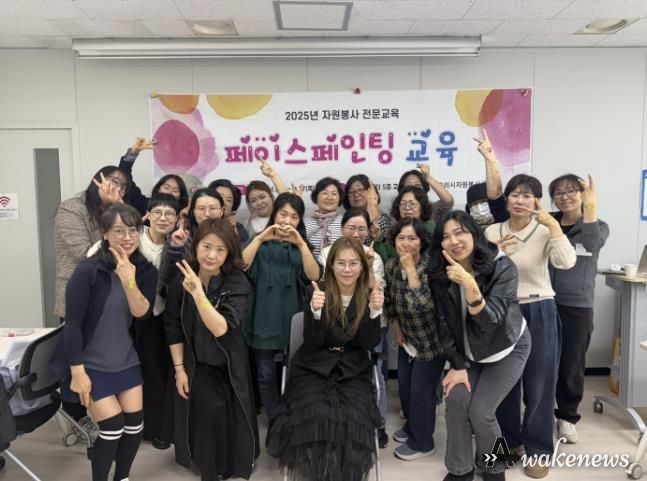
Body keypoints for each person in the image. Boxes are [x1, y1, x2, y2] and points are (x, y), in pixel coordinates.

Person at [52, 203, 158, 481]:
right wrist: (77, 373)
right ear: (104, 234)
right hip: (89, 363)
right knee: (112, 427)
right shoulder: (88, 270)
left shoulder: (145, 270)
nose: (127, 237)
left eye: (133, 231)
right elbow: (72, 324)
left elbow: (142, 313)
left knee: (134, 427)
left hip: (126, 359)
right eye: (118, 231)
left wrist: (129, 280)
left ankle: (121, 477)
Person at [267, 237, 384, 481]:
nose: (347, 269)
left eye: (353, 263)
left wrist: (374, 313)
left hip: (353, 369)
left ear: (362, 266)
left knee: (352, 415)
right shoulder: (318, 290)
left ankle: (341, 474)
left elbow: (367, 345)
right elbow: (312, 342)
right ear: (331, 265)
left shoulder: (368, 294)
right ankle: (317, 472)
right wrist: (316, 312)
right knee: (317, 411)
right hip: (313, 365)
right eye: (341, 263)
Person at [485, 174, 576, 479]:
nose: (520, 201)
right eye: (515, 194)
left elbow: (566, 262)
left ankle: (538, 450)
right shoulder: (491, 231)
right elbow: (481, 274)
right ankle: (510, 443)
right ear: (506, 199)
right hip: (503, 311)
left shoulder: (545, 230)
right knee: (504, 382)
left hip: (539, 308)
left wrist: (554, 227)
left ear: (537, 201)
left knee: (540, 382)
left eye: (528, 195)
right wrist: (494, 252)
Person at [429, 211, 531, 481]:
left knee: (482, 412)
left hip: (507, 348)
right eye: (446, 237)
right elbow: (443, 325)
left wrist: (470, 285)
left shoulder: (502, 266)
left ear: (474, 233)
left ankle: (495, 468)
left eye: (460, 232)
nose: (454, 241)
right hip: (469, 351)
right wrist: (458, 365)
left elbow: (490, 321)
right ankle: (460, 470)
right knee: (456, 400)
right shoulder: (439, 274)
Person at [164, 219, 259, 480]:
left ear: (229, 253)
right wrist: (179, 370)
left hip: (229, 364)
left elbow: (220, 328)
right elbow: (172, 326)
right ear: (196, 246)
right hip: (196, 363)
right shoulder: (181, 279)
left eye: (220, 249)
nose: (212, 255)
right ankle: (209, 466)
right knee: (208, 406)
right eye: (206, 246)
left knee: (225, 411)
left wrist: (198, 294)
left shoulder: (237, 282)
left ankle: (230, 463)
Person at [54, 165, 131, 435]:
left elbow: (129, 238)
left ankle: (105, 413)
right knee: (76, 360)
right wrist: (114, 211)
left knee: (103, 359)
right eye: (112, 181)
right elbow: (86, 253)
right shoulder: (71, 208)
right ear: (96, 181)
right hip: (79, 295)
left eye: (122, 186)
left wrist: (116, 207)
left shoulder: (115, 209)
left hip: (111, 298)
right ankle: (75, 417)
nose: (116, 188)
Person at [242, 193, 321, 425]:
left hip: (293, 319)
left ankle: (295, 413)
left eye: (294, 217)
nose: (287, 221)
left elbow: (314, 276)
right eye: (283, 214)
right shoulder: (258, 242)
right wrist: (260, 238)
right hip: (263, 317)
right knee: (265, 374)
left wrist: (301, 244)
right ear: (274, 214)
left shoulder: (301, 246)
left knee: (296, 371)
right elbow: (241, 265)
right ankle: (275, 417)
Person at [318, 207, 389, 447]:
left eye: (362, 228)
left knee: (373, 371)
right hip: (332, 328)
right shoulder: (327, 253)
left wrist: (367, 267)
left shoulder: (374, 257)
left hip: (365, 320)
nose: (356, 233)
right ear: (342, 228)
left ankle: (378, 425)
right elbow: (328, 285)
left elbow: (374, 292)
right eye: (351, 227)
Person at [548, 174, 609, 444]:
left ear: (583, 195)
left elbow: (593, 244)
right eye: (559, 192)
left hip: (577, 305)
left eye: (571, 191)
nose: (565, 196)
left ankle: (567, 417)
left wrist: (590, 209)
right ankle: (538, 411)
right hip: (544, 300)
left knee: (571, 364)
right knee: (540, 361)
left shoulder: (597, 225)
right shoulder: (548, 223)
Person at [384, 217, 445, 461]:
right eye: (401, 238)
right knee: (406, 389)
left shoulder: (432, 267)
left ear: (422, 242)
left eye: (412, 238)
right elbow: (390, 301)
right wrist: (397, 328)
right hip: (407, 338)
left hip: (432, 341)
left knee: (422, 392)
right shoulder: (391, 266)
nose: (406, 243)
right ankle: (412, 427)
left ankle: (423, 443)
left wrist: (410, 269)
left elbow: (421, 305)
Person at [135, 194, 180, 449]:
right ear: (148, 216)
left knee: (162, 372)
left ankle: (160, 429)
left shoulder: (177, 244)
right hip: (132, 318)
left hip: (162, 316)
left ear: (177, 219)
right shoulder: (134, 239)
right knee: (143, 373)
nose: (163, 218)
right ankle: (142, 427)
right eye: (158, 213)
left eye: (169, 214)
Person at [117, 137, 189, 215]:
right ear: (158, 189)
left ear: (180, 196)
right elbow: (125, 180)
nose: (169, 192)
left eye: (175, 191)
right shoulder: (144, 205)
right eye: (166, 188)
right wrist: (133, 153)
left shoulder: (184, 214)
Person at [468, 129, 508, 225]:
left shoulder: (503, 222)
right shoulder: (467, 228)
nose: (479, 208)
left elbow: (496, 194)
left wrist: (490, 158)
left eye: (483, 202)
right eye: (474, 204)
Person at [304, 177, 345, 257]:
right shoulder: (304, 223)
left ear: (339, 198)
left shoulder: (345, 222)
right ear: (316, 197)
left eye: (334, 194)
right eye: (325, 193)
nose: (329, 197)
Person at [343, 174, 390, 243]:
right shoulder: (344, 219)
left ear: (371, 192)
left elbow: (381, 243)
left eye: (360, 190)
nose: (356, 194)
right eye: (351, 192)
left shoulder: (383, 219)